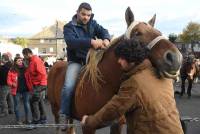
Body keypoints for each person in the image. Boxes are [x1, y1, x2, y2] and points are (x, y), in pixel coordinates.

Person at [81, 39, 184, 134]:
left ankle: (65, 111)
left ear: (132, 60)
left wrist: (90, 121)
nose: (118, 61)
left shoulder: (134, 83)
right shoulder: (160, 73)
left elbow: (114, 109)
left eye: (122, 58)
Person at [60, 2, 111, 121]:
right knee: (68, 86)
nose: (86, 18)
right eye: (83, 14)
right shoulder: (69, 27)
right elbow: (71, 42)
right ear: (77, 12)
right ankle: (64, 113)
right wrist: (91, 42)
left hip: (93, 59)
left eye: (88, 15)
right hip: (76, 61)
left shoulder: (93, 23)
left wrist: (107, 39)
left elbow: (104, 31)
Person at [22, 48, 47, 124]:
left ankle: (36, 120)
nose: (24, 57)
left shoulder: (36, 61)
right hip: (39, 84)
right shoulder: (32, 61)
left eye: (24, 55)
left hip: (39, 84)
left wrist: (36, 82)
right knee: (39, 101)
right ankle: (43, 118)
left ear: (28, 54)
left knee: (33, 101)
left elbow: (42, 74)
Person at [7, 56, 32, 124]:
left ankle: (28, 119)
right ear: (15, 62)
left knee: (26, 104)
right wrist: (12, 84)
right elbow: (8, 81)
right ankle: (18, 120)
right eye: (19, 60)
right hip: (16, 90)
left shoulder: (26, 69)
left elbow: (30, 78)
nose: (20, 61)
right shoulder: (11, 70)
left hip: (26, 89)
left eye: (21, 60)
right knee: (17, 105)